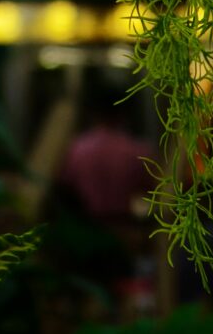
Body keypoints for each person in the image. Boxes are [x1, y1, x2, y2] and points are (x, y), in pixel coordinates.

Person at [57, 78, 154, 227]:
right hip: (125, 230)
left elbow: (65, 188)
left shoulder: (76, 149)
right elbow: (150, 191)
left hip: (85, 229)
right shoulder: (138, 151)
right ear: (124, 113)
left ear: (94, 112)